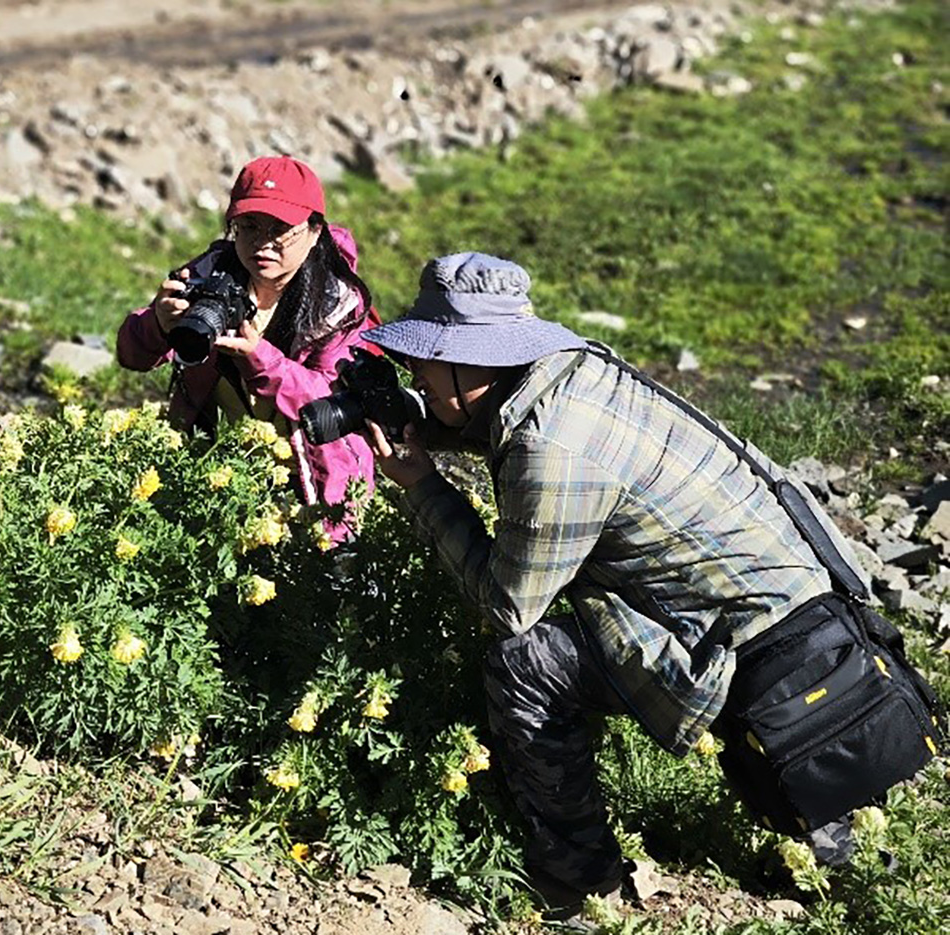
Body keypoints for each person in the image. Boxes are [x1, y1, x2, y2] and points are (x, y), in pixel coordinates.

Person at [357, 252, 887, 914]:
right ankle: (839, 850)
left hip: (749, 653)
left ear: (477, 362)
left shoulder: (550, 446)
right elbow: (499, 426)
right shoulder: (574, 373)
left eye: (427, 359)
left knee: (526, 662)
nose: (414, 371)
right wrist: (422, 423)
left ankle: (580, 883)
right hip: (800, 613)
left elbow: (508, 604)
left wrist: (422, 485)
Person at [117, 156, 377, 538]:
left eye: (281, 229)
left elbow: (333, 402)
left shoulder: (338, 303)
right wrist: (157, 325)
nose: (263, 243)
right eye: (250, 226)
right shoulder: (210, 277)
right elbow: (131, 356)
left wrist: (262, 361)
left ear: (314, 231)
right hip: (221, 466)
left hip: (315, 473)